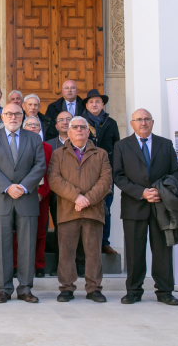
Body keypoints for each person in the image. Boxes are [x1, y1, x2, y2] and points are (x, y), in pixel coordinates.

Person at [113, 109, 178, 306]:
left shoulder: (165, 144)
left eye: (146, 119)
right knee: (134, 251)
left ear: (152, 122)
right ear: (132, 123)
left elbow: (176, 172)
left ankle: (165, 291)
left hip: (161, 206)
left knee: (162, 250)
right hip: (134, 205)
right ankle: (134, 291)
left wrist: (163, 191)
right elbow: (118, 176)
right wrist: (141, 192)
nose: (143, 123)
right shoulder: (121, 146)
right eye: (139, 120)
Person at [0, 102, 46, 304]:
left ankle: (25, 288)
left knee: (27, 245)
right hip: (0, 198)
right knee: (1, 246)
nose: (13, 117)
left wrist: (24, 187)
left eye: (17, 114)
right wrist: (8, 186)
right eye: (9, 114)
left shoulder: (34, 138)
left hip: (26, 198)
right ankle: (4, 289)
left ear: (23, 116)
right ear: (2, 117)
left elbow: (40, 165)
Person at [48, 116, 112, 303]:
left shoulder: (101, 154)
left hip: (93, 211)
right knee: (66, 252)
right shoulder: (58, 154)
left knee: (93, 252)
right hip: (68, 210)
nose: (78, 130)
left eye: (82, 127)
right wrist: (76, 197)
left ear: (88, 131)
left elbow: (106, 181)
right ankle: (66, 288)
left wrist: (88, 199)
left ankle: (94, 288)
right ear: (68, 131)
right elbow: (54, 180)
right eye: (74, 127)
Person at [12, 117, 53, 278]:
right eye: (29, 124)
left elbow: (50, 173)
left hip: (40, 195)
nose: (33, 127)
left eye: (36, 125)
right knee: (17, 231)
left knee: (40, 231)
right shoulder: (15, 146)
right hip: (19, 194)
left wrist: (42, 193)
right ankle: (16, 264)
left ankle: (38, 264)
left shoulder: (47, 148)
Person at [83, 89, 121, 255]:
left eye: (97, 101)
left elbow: (117, 147)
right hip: (85, 172)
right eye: (91, 102)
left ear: (102, 104)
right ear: (86, 105)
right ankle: (86, 244)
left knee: (106, 208)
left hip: (106, 172)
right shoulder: (80, 122)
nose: (94, 104)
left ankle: (104, 243)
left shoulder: (110, 123)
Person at [46, 111, 75, 276]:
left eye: (68, 119)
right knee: (60, 231)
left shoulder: (82, 142)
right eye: (61, 120)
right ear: (56, 126)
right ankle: (61, 266)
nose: (65, 122)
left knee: (80, 230)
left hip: (79, 196)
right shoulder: (49, 144)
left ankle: (79, 264)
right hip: (57, 196)